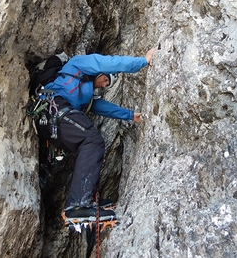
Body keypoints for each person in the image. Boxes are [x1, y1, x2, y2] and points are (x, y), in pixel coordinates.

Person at [37, 48, 156, 222]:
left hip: (53, 119)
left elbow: (102, 107)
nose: (104, 84)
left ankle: (83, 201)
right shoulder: (78, 64)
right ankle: (77, 204)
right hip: (53, 106)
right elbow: (108, 62)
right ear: (99, 73)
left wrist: (130, 115)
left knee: (91, 144)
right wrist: (143, 62)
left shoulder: (87, 96)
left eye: (108, 84)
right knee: (92, 140)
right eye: (106, 78)